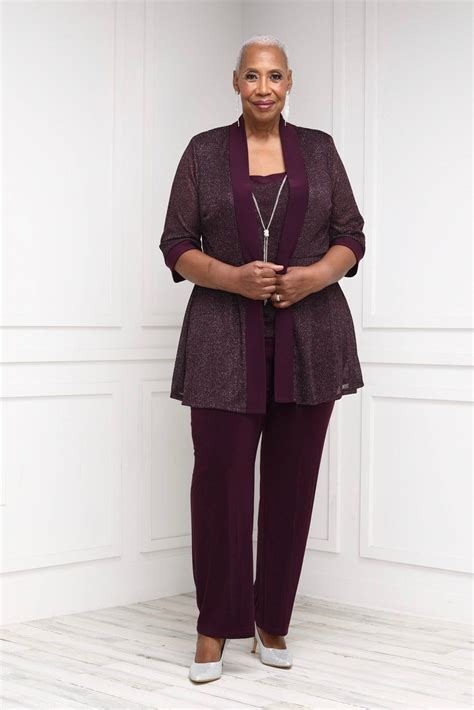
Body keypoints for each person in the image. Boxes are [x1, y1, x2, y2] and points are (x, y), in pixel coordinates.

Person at [159, 34, 365, 683]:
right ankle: (214, 626)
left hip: (313, 339)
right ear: (236, 82)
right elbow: (175, 243)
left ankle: (272, 620)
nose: (264, 87)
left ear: (290, 81)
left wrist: (314, 277)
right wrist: (233, 278)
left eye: (275, 75)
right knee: (219, 486)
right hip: (222, 338)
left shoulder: (321, 150)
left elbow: (351, 235)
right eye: (252, 75)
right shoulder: (202, 153)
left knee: (292, 485)